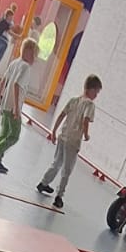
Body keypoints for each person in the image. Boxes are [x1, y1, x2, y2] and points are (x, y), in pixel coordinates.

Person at [36, 73, 101, 210]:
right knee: (67, 169)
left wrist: (54, 131)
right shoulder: (90, 104)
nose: (96, 95)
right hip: (73, 140)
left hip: (63, 135)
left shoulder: (73, 100)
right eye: (96, 91)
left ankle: (44, 182)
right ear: (91, 89)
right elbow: (85, 120)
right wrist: (86, 134)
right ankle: (59, 196)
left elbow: (62, 115)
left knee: (56, 162)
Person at [0, 38, 37, 175]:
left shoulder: (14, 62)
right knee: (14, 135)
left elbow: (3, 82)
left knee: (4, 133)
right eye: (34, 54)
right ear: (28, 52)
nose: (34, 58)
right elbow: (16, 85)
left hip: (5, 104)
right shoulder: (25, 67)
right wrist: (17, 108)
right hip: (13, 106)